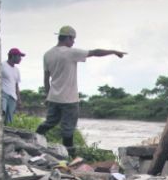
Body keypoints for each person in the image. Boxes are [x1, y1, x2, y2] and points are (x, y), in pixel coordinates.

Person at [36, 25, 126, 157]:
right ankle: (69, 156)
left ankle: (34, 140)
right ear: (68, 38)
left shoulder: (47, 54)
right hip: (69, 100)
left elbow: (46, 78)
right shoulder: (70, 53)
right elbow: (95, 52)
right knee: (68, 129)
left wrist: (47, 96)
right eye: (73, 39)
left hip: (54, 98)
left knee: (49, 122)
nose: (73, 43)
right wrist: (113, 51)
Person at [1, 48, 25, 124]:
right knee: (1, 113)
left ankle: (6, 134)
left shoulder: (16, 70)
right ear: (13, 56)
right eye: (19, 56)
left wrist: (19, 100)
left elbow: (16, 86)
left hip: (13, 97)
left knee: (9, 120)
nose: (20, 59)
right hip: (3, 94)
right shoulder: (2, 65)